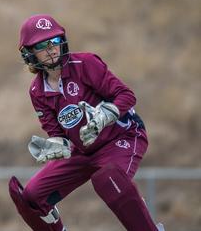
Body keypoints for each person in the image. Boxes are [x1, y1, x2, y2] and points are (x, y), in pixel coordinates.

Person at [9, 14, 164, 231]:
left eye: (54, 41)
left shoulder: (85, 64)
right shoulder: (37, 91)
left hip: (122, 137)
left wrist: (104, 116)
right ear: (29, 53)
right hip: (82, 152)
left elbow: (126, 96)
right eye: (42, 45)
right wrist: (55, 147)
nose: (51, 48)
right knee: (32, 196)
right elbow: (60, 135)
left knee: (109, 180)